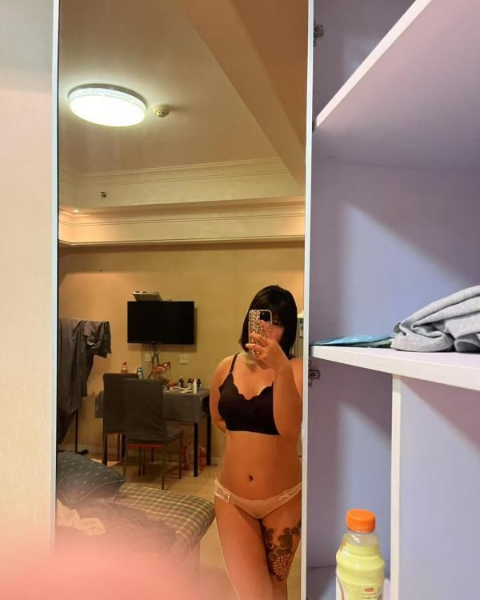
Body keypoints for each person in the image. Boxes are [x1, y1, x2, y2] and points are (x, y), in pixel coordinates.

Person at [210, 285, 303, 600]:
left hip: (284, 497)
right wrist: (247, 441)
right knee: (253, 593)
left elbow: (288, 428)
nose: (268, 328)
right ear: (249, 320)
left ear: (287, 330)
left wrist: (280, 367)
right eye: (262, 318)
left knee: (276, 586)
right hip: (232, 498)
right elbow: (218, 418)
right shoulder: (226, 367)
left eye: (277, 322)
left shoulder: (295, 369)